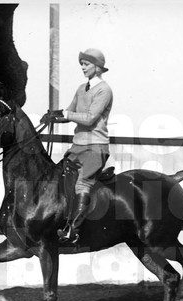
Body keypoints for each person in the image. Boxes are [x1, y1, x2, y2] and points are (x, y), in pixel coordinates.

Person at [42, 48, 113, 243]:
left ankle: (73, 230)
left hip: (96, 147)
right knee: (60, 177)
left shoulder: (104, 90)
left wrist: (66, 114)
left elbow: (89, 118)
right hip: (77, 146)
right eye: (81, 63)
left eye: (86, 64)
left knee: (83, 183)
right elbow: (69, 112)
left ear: (97, 67)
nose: (82, 67)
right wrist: (54, 116)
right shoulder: (81, 88)